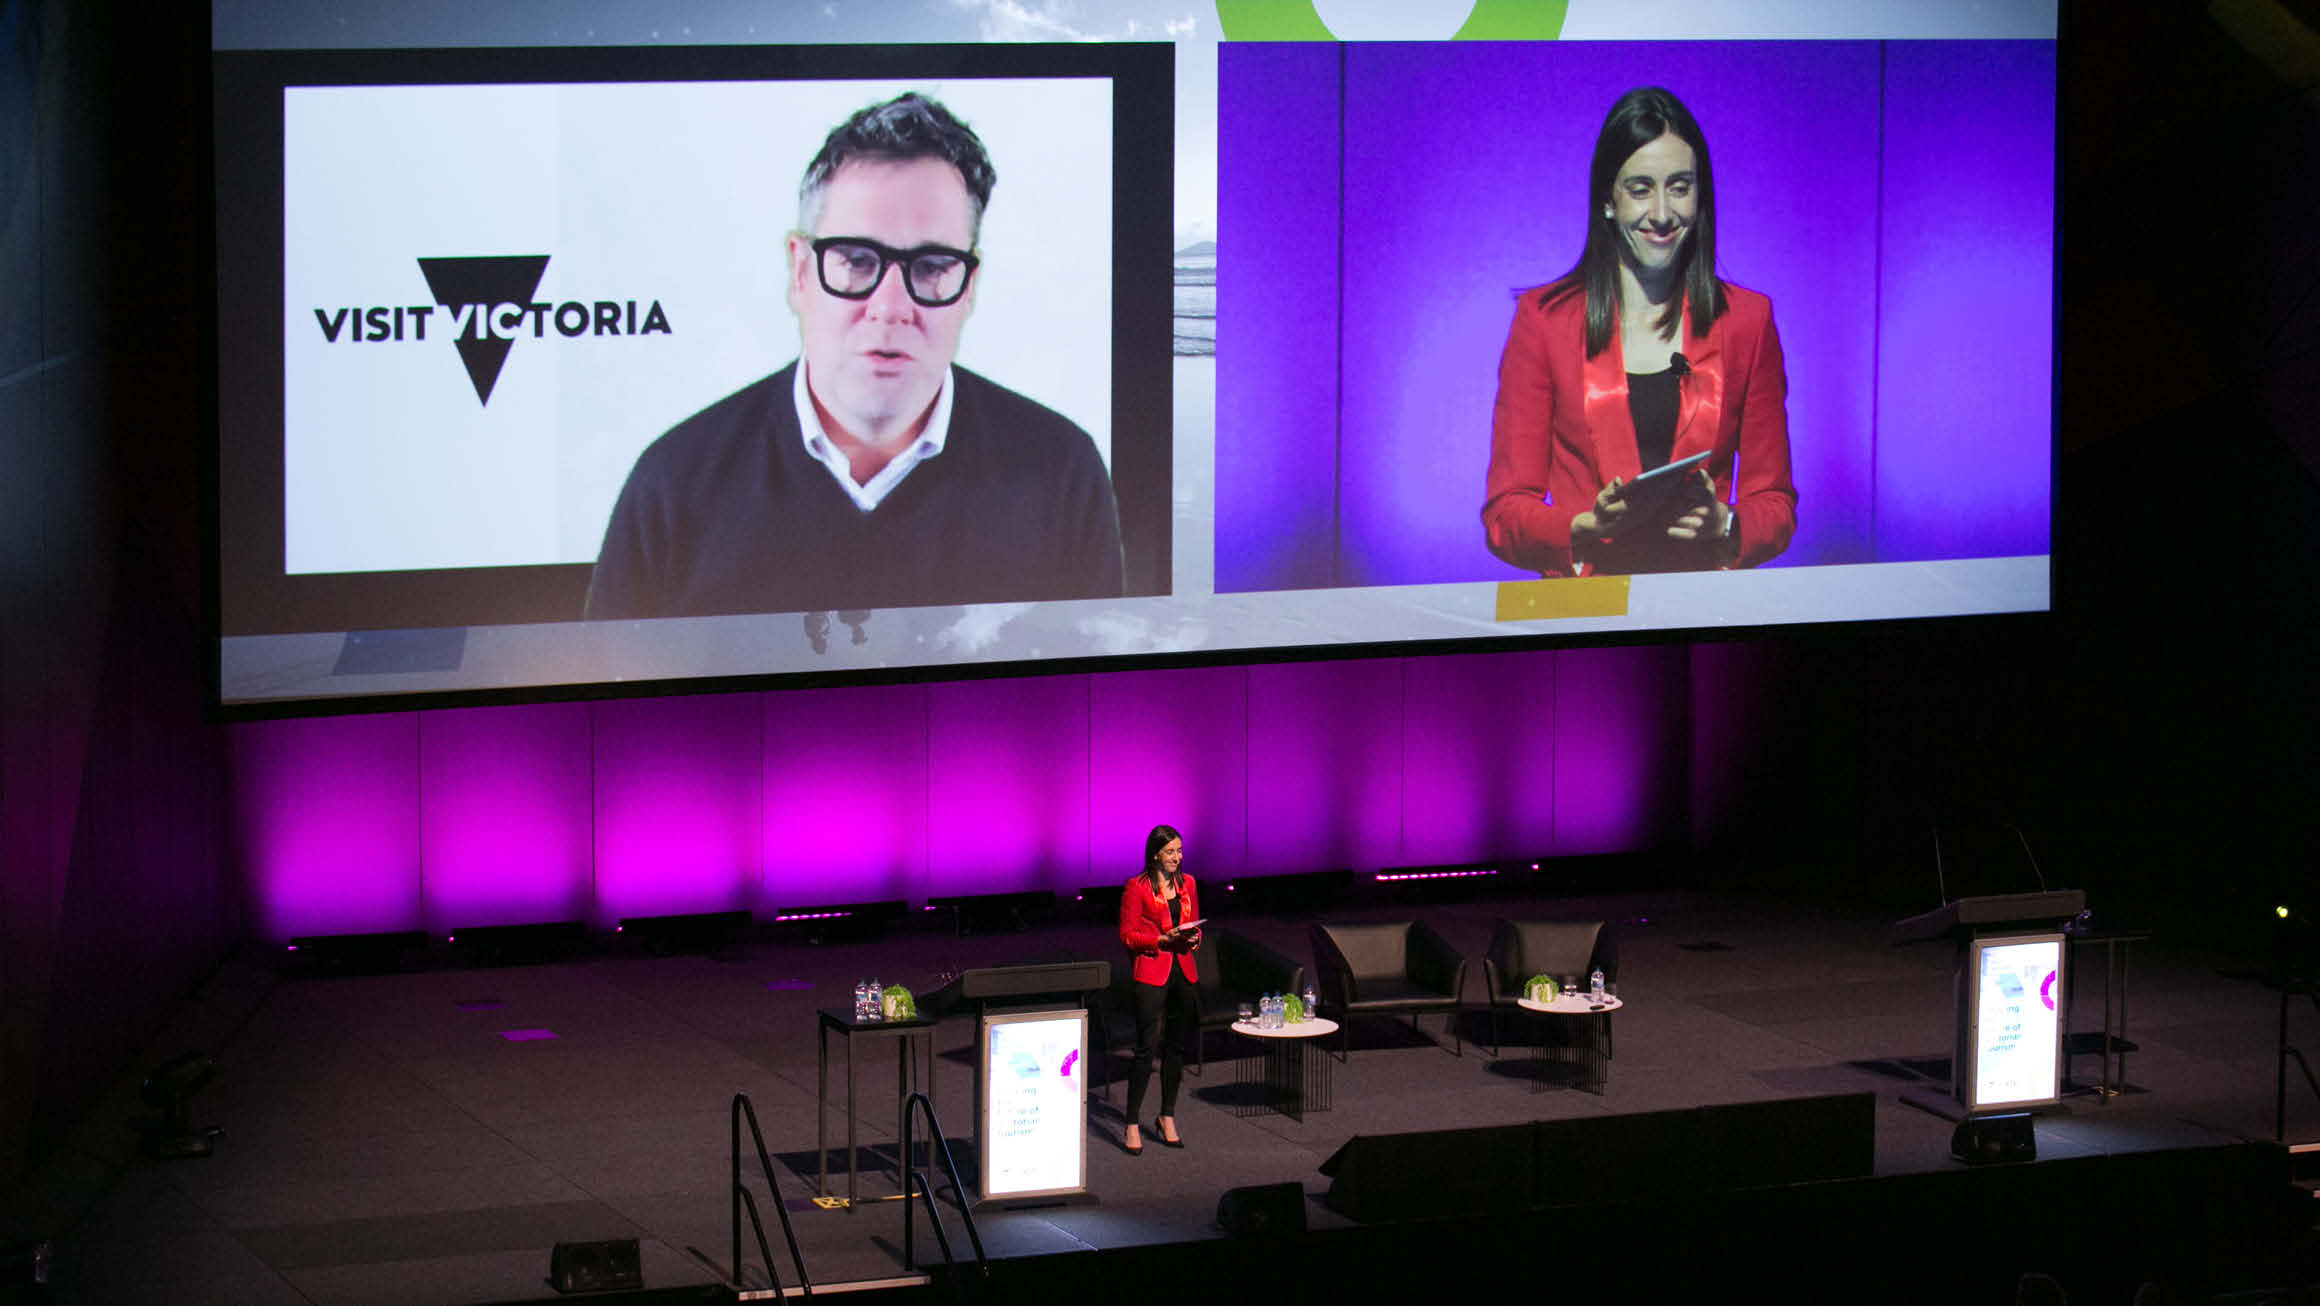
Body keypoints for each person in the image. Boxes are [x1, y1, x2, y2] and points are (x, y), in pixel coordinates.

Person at [585, 91, 1125, 620]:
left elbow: (1097, 705)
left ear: (968, 288)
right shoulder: (674, 487)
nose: (890, 308)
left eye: (932, 266)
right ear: (800, 272)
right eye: (856, 261)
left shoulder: (1061, 476)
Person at [1482, 86, 1796, 578]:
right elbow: (1504, 515)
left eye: (1680, 186)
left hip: (1701, 611)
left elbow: (1775, 505)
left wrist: (1726, 523)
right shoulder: (1542, 320)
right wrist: (1580, 525)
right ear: (1608, 199)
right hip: (1590, 615)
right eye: (1641, 189)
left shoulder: (1747, 322)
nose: (1663, 214)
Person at [1117, 824, 1200, 1154]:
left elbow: (1195, 924)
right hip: (1151, 971)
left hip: (1183, 970)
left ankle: (1166, 1116)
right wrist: (1159, 940)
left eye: (1179, 851)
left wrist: (1193, 938)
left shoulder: (1188, 883)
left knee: (1176, 1047)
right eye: (1170, 852)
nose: (1176, 858)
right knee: (1146, 1048)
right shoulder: (1136, 887)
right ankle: (1132, 1122)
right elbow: (1127, 934)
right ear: (1155, 854)